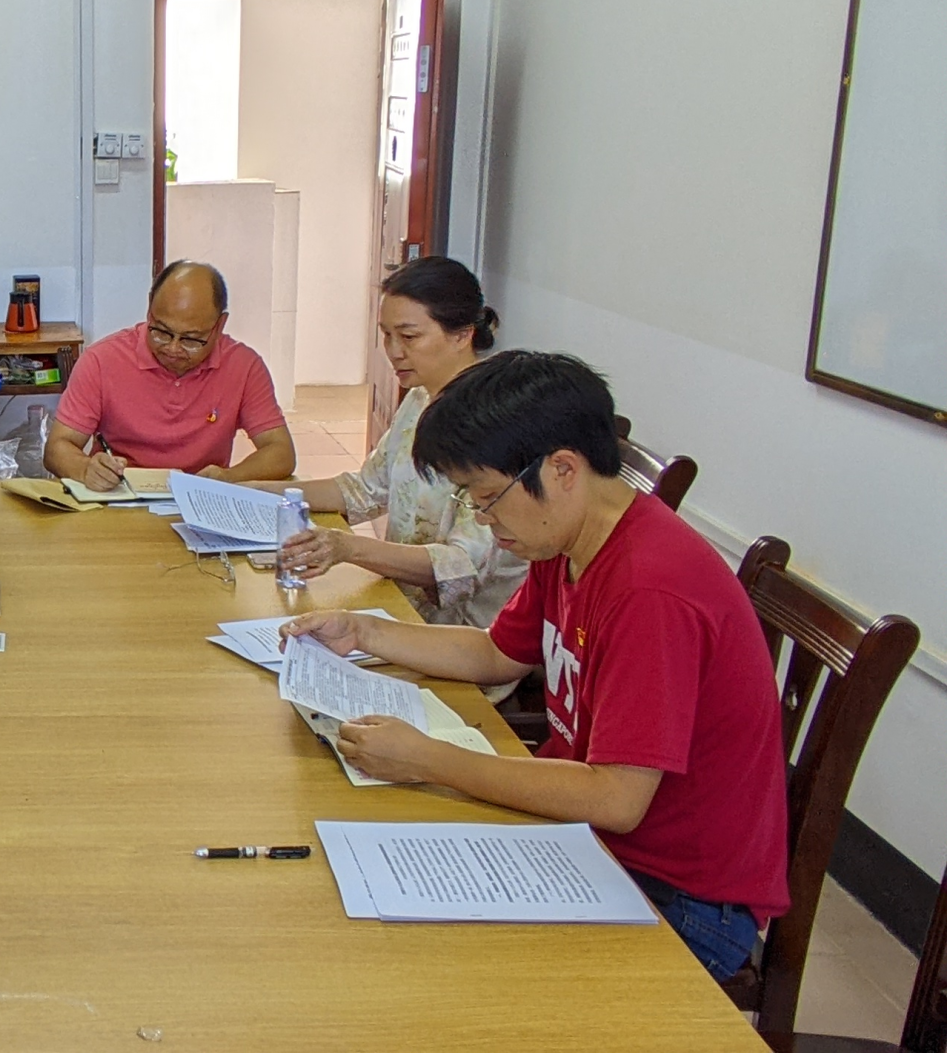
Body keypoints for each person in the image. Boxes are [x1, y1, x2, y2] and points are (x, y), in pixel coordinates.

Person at [284, 351, 788, 981]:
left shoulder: (649, 590)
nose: (484, 520)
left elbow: (616, 798)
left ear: (563, 468)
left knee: (437, 969)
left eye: (487, 497)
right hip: (591, 839)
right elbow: (497, 653)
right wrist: (363, 631)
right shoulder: (567, 539)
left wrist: (429, 760)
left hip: (677, 894)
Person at [252, 257, 526, 632]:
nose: (394, 351)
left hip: (466, 636)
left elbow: (462, 566)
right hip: (400, 607)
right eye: (386, 335)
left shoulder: (497, 422)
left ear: (462, 334)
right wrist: (252, 491)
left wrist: (348, 548)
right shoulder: (419, 399)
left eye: (409, 337)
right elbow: (365, 490)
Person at [44, 260, 294, 489]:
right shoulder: (102, 361)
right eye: (161, 332)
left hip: (201, 498)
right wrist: (86, 469)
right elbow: (57, 447)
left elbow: (280, 451)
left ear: (220, 325)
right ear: (150, 308)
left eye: (191, 339)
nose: (173, 349)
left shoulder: (244, 367)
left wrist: (229, 478)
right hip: (119, 497)